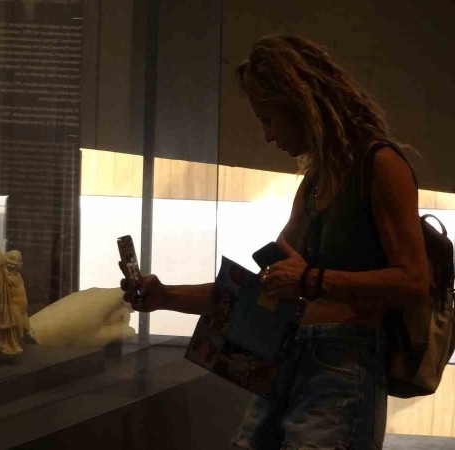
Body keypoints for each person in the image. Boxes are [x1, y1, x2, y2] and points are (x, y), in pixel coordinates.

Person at [120, 34, 429, 450]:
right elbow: (262, 289)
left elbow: (413, 281)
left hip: (343, 365)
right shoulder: (314, 184)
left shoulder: (381, 165)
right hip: (291, 358)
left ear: (301, 105)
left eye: (269, 119)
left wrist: (311, 280)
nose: (267, 136)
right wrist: (164, 295)